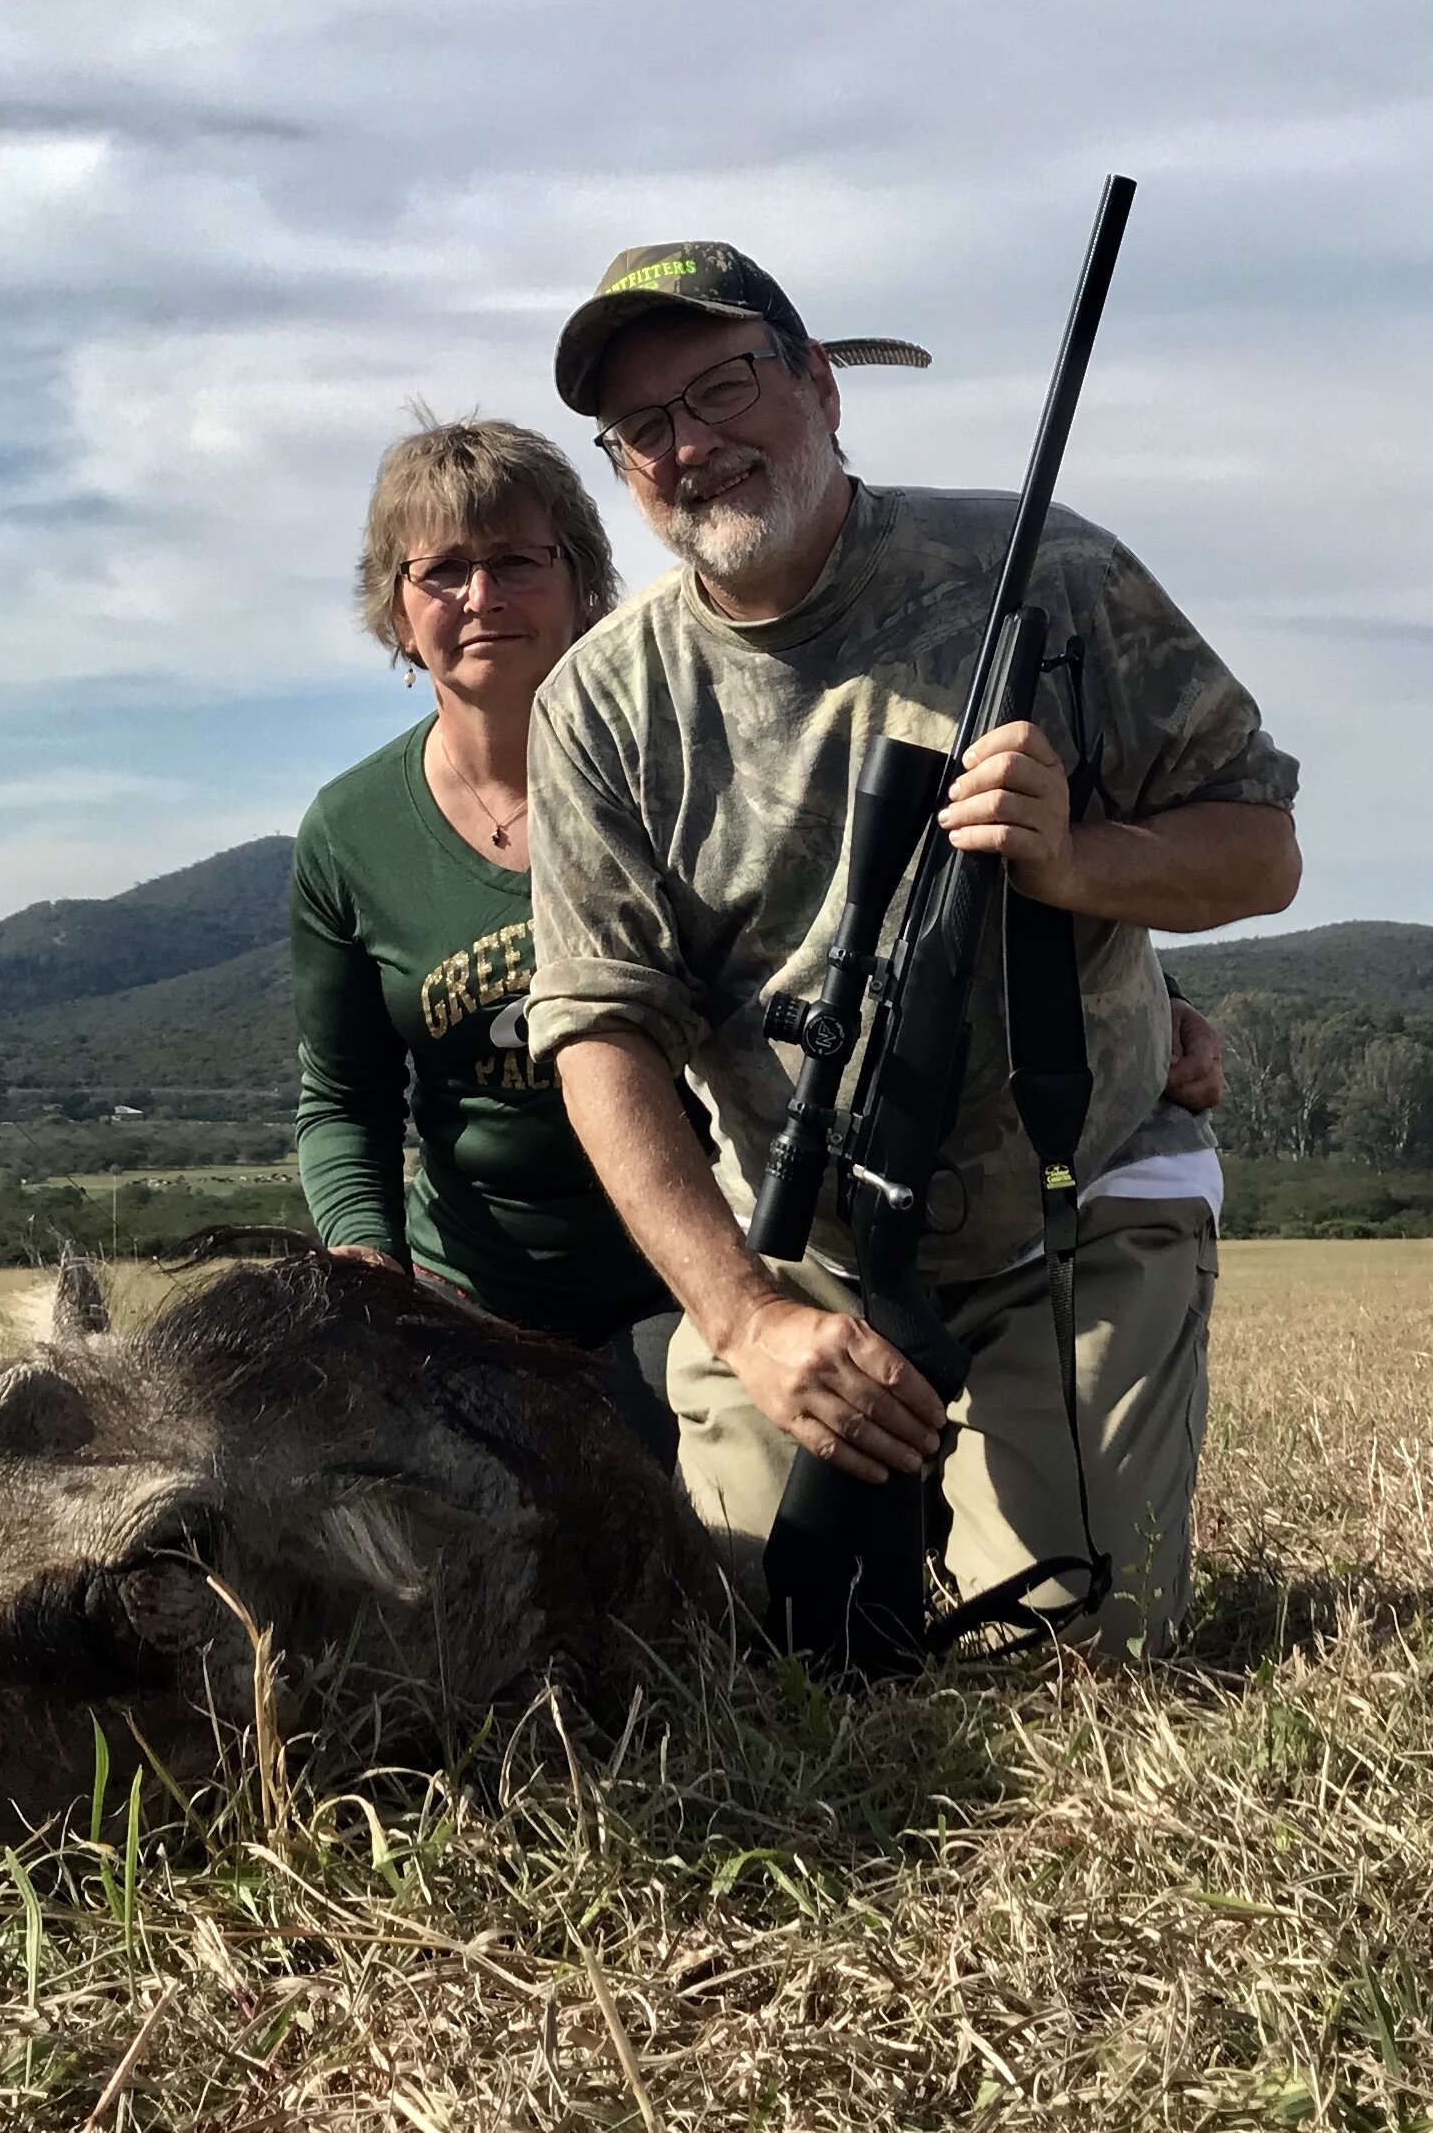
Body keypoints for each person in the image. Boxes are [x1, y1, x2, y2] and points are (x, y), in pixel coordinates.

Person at [520, 237, 1297, 1654]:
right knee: (758, 1663)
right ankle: (694, 1383)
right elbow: (601, 1037)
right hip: (798, 1251)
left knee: (1067, 1654)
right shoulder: (598, 704)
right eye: (644, 426)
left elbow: (1262, 849)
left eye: (726, 385)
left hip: (1071, 1202)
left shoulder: (1048, 574)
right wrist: (748, 1319)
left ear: (822, 386)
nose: (692, 445)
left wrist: (1081, 864)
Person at [288, 416, 675, 1445]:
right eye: (443, 571)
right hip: (466, 1295)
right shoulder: (349, 830)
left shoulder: (679, 781)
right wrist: (371, 1275)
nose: (480, 597)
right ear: (397, 611)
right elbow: (344, 1100)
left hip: (685, 1286)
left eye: (515, 560)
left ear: (583, 583)